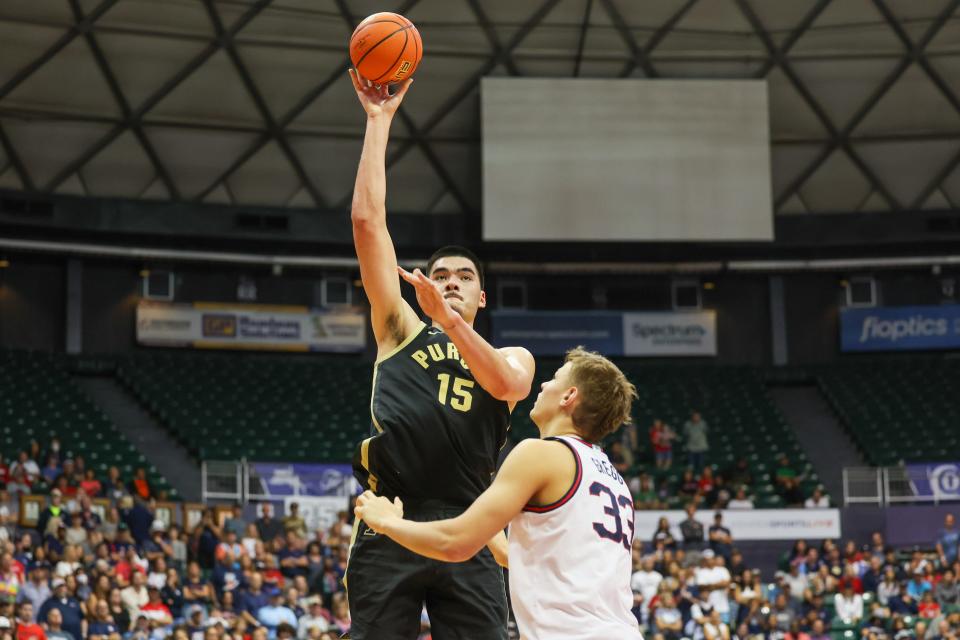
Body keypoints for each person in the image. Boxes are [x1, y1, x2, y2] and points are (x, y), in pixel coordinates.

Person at [345, 68, 536, 640]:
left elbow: (506, 387)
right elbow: (366, 223)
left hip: (470, 520)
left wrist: (449, 321)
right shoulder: (400, 327)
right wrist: (379, 121)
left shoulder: (514, 354)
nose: (450, 281)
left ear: (483, 295)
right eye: (441, 275)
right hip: (393, 513)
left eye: (464, 277)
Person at [355, 348, 641, 639]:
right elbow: (513, 557)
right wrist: (473, 500)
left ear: (568, 397)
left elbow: (456, 544)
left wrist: (387, 522)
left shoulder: (541, 453)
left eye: (554, 379)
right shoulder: (613, 478)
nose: (543, 385)